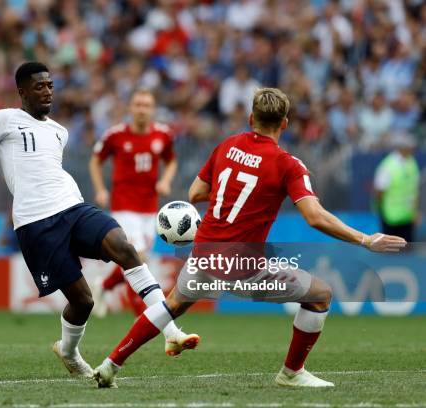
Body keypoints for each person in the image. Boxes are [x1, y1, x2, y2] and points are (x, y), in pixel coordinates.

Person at [93, 88, 407, 388]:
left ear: (250, 119)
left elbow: (195, 193)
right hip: (243, 268)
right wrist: (366, 240)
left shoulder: (227, 146)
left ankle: (110, 364)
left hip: (203, 254)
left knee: (173, 303)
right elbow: (314, 216)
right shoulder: (288, 165)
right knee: (321, 295)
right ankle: (292, 373)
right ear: (285, 123)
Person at [0, 61, 198, 377]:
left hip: (73, 207)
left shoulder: (59, 132)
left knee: (125, 248)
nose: (47, 91)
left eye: (50, 85)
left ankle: (170, 330)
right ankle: (68, 351)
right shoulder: (5, 119)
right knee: (82, 302)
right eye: (39, 86)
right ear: (22, 91)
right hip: (36, 223)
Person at [89, 89, 177, 320]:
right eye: (138, 104)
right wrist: (100, 189)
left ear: (152, 109)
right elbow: (95, 161)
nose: (142, 109)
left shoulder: (163, 135)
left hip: (149, 207)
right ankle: (143, 315)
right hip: (124, 206)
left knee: (139, 261)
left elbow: (171, 161)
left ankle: (105, 285)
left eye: (146, 105)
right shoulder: (115, 135)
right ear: (131, 108)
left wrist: (165, 181)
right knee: (136, 259)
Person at [373, 132, 420, 242]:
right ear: (402, 148)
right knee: (390, 251)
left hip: (407, 216)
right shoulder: (388, 166)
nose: (412, 149)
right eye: (409, 147)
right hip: (390, 217)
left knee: (407, 250)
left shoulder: (412, 162)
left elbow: (414, 190)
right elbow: (379, 191)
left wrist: (415, 212)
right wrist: (380, 211)